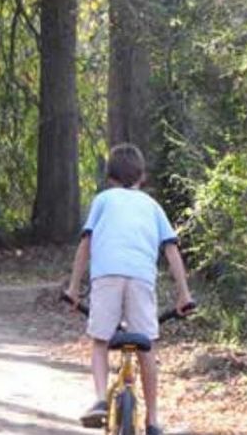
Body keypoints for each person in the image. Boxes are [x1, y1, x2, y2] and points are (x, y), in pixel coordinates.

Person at [65, 143, 194, 435]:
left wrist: (73, 289)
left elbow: (85, 244)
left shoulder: (102, 200)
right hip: (140, 278)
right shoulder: (152, 206)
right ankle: (152, 421)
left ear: (109, 177)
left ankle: (100, 400)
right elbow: (171, 249)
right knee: (146, 345)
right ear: (142, 177)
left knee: (100, 341)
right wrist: (184, 294)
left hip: (107, 276)